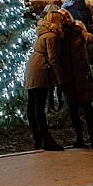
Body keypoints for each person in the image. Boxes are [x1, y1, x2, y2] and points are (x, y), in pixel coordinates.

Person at [59, 8, 93, 150]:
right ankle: (80, 138)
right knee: (74, 111)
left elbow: (89, 38)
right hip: (70, 77)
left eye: (67, 16)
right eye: (63, 17)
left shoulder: (78, 29)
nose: (66, 19)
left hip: (81, 75)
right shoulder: (60, 34)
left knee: (87, 110)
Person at [24, 10, 65, 150]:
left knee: (32, 105)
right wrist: (60, 80)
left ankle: (37, 138)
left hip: (32, 67)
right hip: (41, 69)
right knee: (39, 107)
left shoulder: (42, 33)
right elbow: (54, 59)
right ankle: (46, 140)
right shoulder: (52, 36)